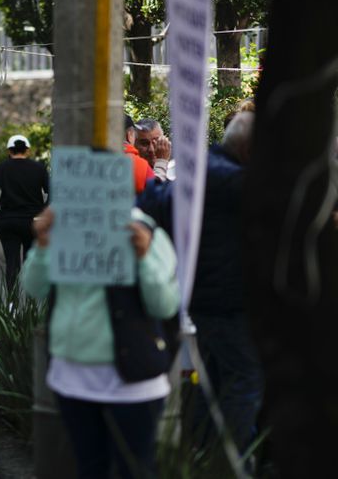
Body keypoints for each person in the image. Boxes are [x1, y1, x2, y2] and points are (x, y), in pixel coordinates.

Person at [138, 111, 263, 467]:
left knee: (215, 384)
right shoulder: (235, 181)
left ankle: (208, 455)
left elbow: (151, 205)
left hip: (202, 301)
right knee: (244, 381)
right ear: (251, 149)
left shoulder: (200, 171)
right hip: (230, 304)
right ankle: (228, 462)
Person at [22, 205, 180, 479]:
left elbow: (164, 306)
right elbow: (34, 288)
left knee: (135, 470)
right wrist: (43, 246)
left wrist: (144, 258)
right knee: (89, 468)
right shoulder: (62, 227)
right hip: (73, 380)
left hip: (134, 383)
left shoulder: (145, 230)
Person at [0, 134, 49, 290]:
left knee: (12, 263)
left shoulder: (1, 168)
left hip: (8, 222)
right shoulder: (39, 168)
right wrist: (44, 210)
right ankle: (31, 304)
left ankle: (12, 305)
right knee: (31, 262)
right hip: (33, 222)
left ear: (10, 150)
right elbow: (53, 192)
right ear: (27, 150)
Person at [123, 115, 155, 194]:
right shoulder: (141, 166)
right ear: (129, 135)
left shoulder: (92, 161)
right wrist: (162, 163)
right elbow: (156, 199)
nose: (151, 149)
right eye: (144, 143)